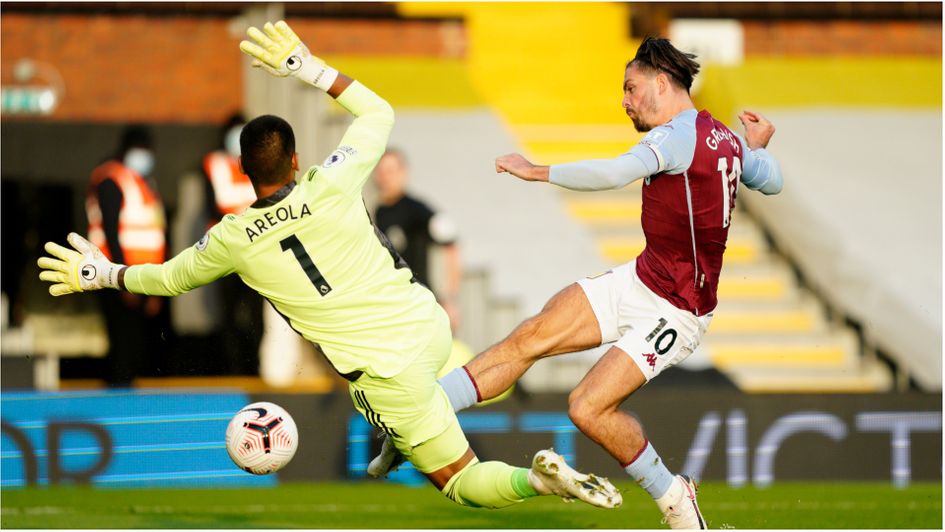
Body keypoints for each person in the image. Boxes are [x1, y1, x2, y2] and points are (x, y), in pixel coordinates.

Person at [38, 21, 620, 511]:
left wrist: (102, 273)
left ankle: (536, 479)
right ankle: (406, 433)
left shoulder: (233, 238)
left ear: (242, 171)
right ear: (296, 159)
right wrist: (306, 65)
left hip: (382, 373)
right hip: (426, 324)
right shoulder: (332, 181)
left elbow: (164, 279)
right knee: (450, 390)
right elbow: (378, 113)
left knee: (461, 483)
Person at [372, 37, 784, 529]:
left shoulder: (676, 137)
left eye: (631, 89)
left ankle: (675, 497)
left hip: (677, 310)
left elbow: (614, 172)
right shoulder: (727, 140)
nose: (626, 101)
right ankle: (413, 423)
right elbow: (771, 179)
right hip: (641, 278)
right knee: (530, 335)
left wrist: (536, 170)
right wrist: (755, 147)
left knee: (587, 408)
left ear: (661, 82)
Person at [86, 124, 167, 386]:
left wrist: (156, 286)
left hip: (143, 275)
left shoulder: (143, 183)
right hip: (115, 274)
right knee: (121, 340)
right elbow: (111, 231)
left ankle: (126, 391)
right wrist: (122, 278)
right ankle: (117, 400)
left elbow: (154, 234)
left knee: (135, 343)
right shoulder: (111, 178)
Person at [202, 112, 264, 376]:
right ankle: (232, 367)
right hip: (225, 250)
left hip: (257, 251)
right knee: (228, 313)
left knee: (255, 312)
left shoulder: (259, 163)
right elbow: (212, 207)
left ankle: (253, 366)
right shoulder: (213, 164)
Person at [372, 149, 462, 328]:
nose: (385, 177)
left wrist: (450, 298)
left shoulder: (417, 210)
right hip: (392, 301)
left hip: (419, 299)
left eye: (390, 171)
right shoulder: (379, 211)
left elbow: (451, 244)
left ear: (404, 173)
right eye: (380, 171)